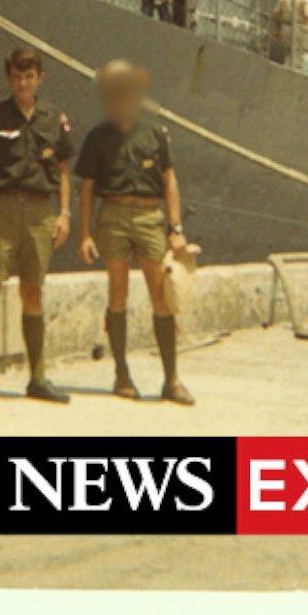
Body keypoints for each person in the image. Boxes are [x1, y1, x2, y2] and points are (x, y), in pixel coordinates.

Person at [76, 60, 194, 406]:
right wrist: (84, 234)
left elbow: (169, 179)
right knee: (117, 294)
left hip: (148, 216)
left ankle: (171, 379)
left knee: (162, 295)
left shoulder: (155, 134)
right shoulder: (98, 136)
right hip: (112, 213)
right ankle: (121, 374)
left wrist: (175, 227)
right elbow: (87, 187)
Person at [0, 47, 74, 405]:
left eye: (28, 76)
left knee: (33, 290)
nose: (22, 83)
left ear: (39, 78)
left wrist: (64, 214)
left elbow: (62, 170)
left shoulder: (53, 117)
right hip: (3, 209)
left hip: (41, 212)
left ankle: (38, 377)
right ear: (8, 78)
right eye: (16, 76)